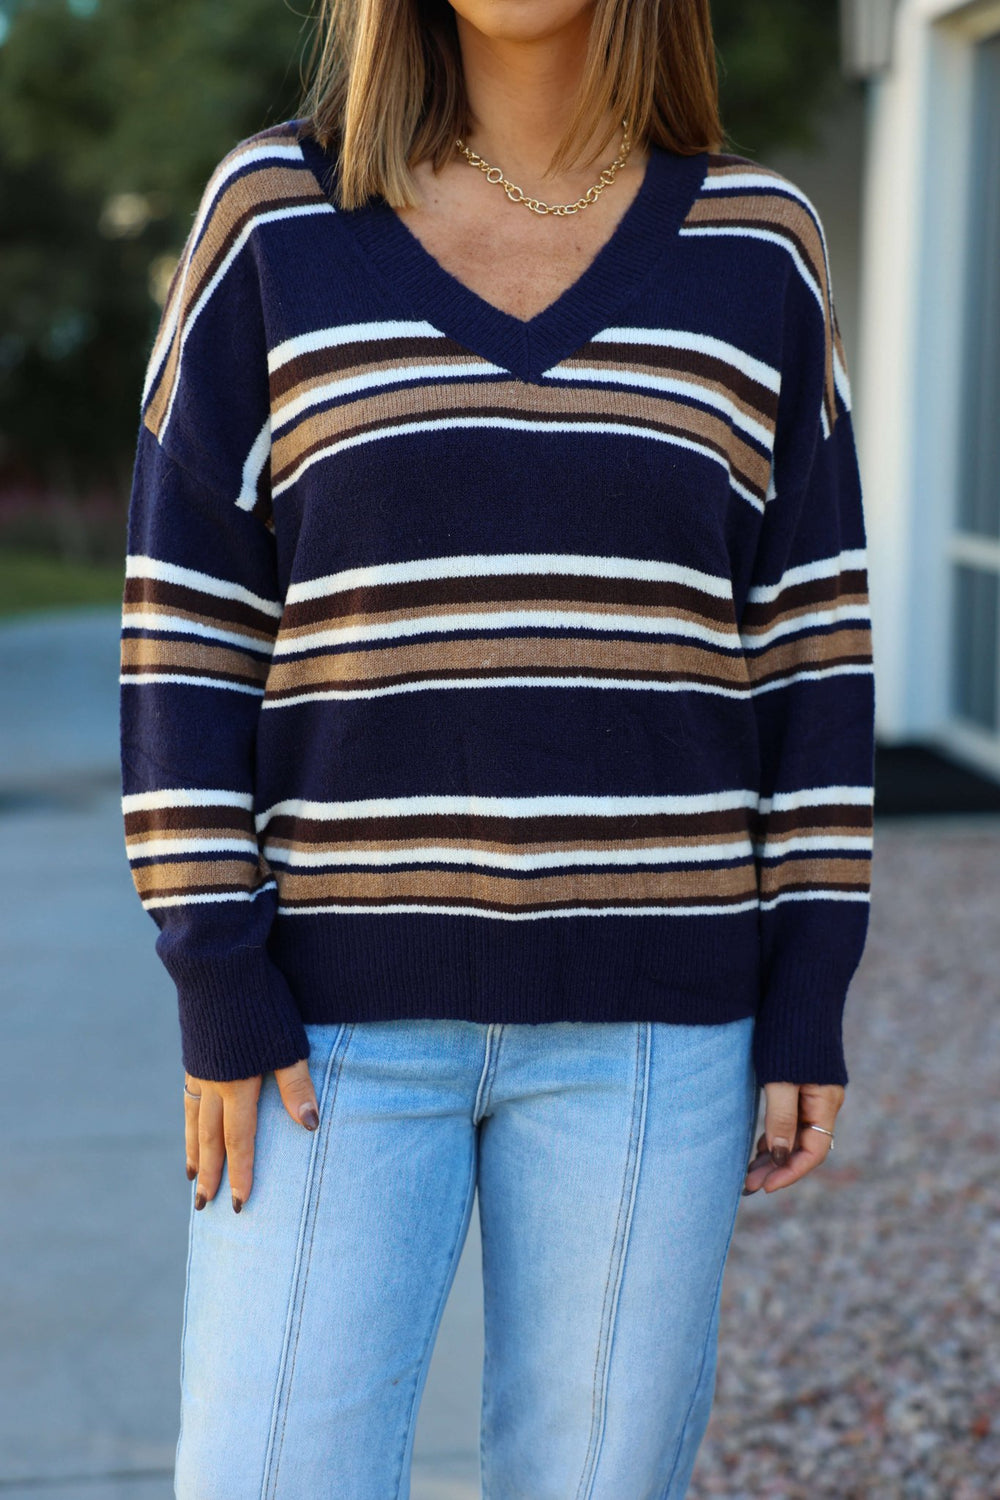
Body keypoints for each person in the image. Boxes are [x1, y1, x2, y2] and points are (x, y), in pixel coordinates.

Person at [119, 0, 875, 1493]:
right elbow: (188, 620)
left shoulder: (758, 245)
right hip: (320, 1042)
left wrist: (809, 992)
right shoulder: (275, 218)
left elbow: (812, 645)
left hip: (659, 1040)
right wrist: (216, 967)